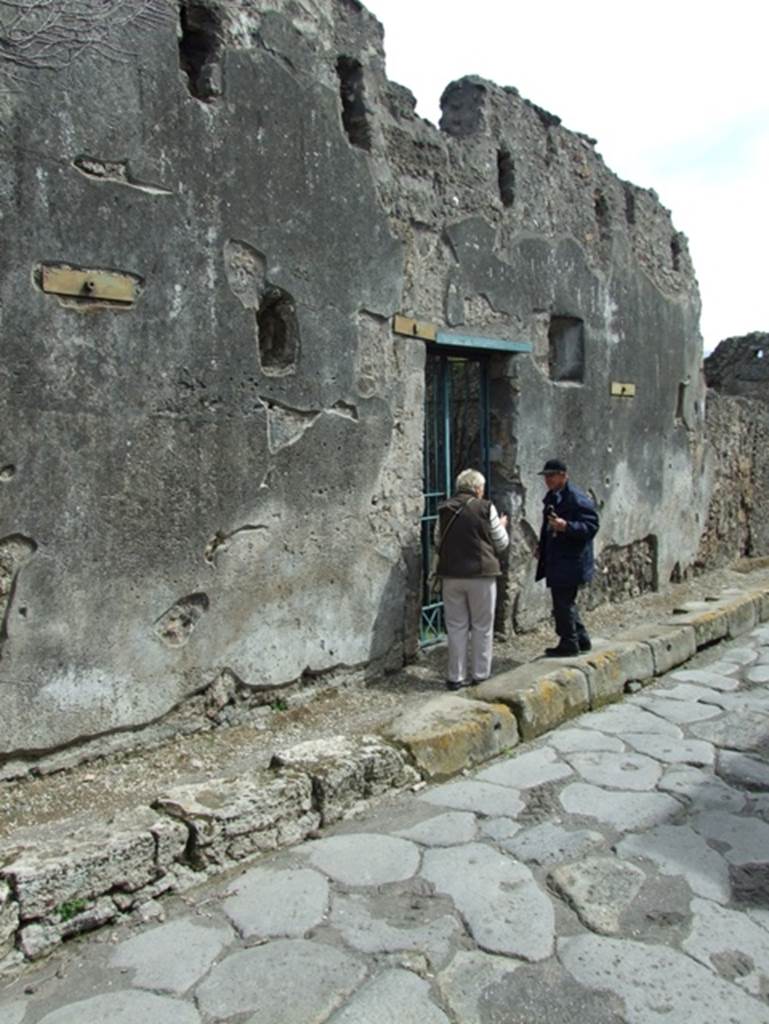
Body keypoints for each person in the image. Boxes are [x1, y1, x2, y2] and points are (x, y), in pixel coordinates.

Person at [435, 468, 509, 689]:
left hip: (451, 574)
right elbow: (501, 542)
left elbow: (438, 541)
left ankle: (455, 677)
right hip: (481, 574)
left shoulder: (444, 508)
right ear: (478, 488)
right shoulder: (486, 507)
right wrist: (502, 526)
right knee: (482, 626)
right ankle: (480, 673)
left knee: (456, 626)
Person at [535, 458, 599, 657]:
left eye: (551, 476)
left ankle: (569, 643)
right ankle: (580, 638)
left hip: (572, 559)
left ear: (563, 476)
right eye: (546, 476)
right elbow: (548, 526)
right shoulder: (554, 496)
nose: (548, 480)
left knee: (562, 602)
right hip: (559, 558)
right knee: (565, 601)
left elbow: (591, 527)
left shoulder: (576, 498)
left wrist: (567, 527)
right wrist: (542, 547)